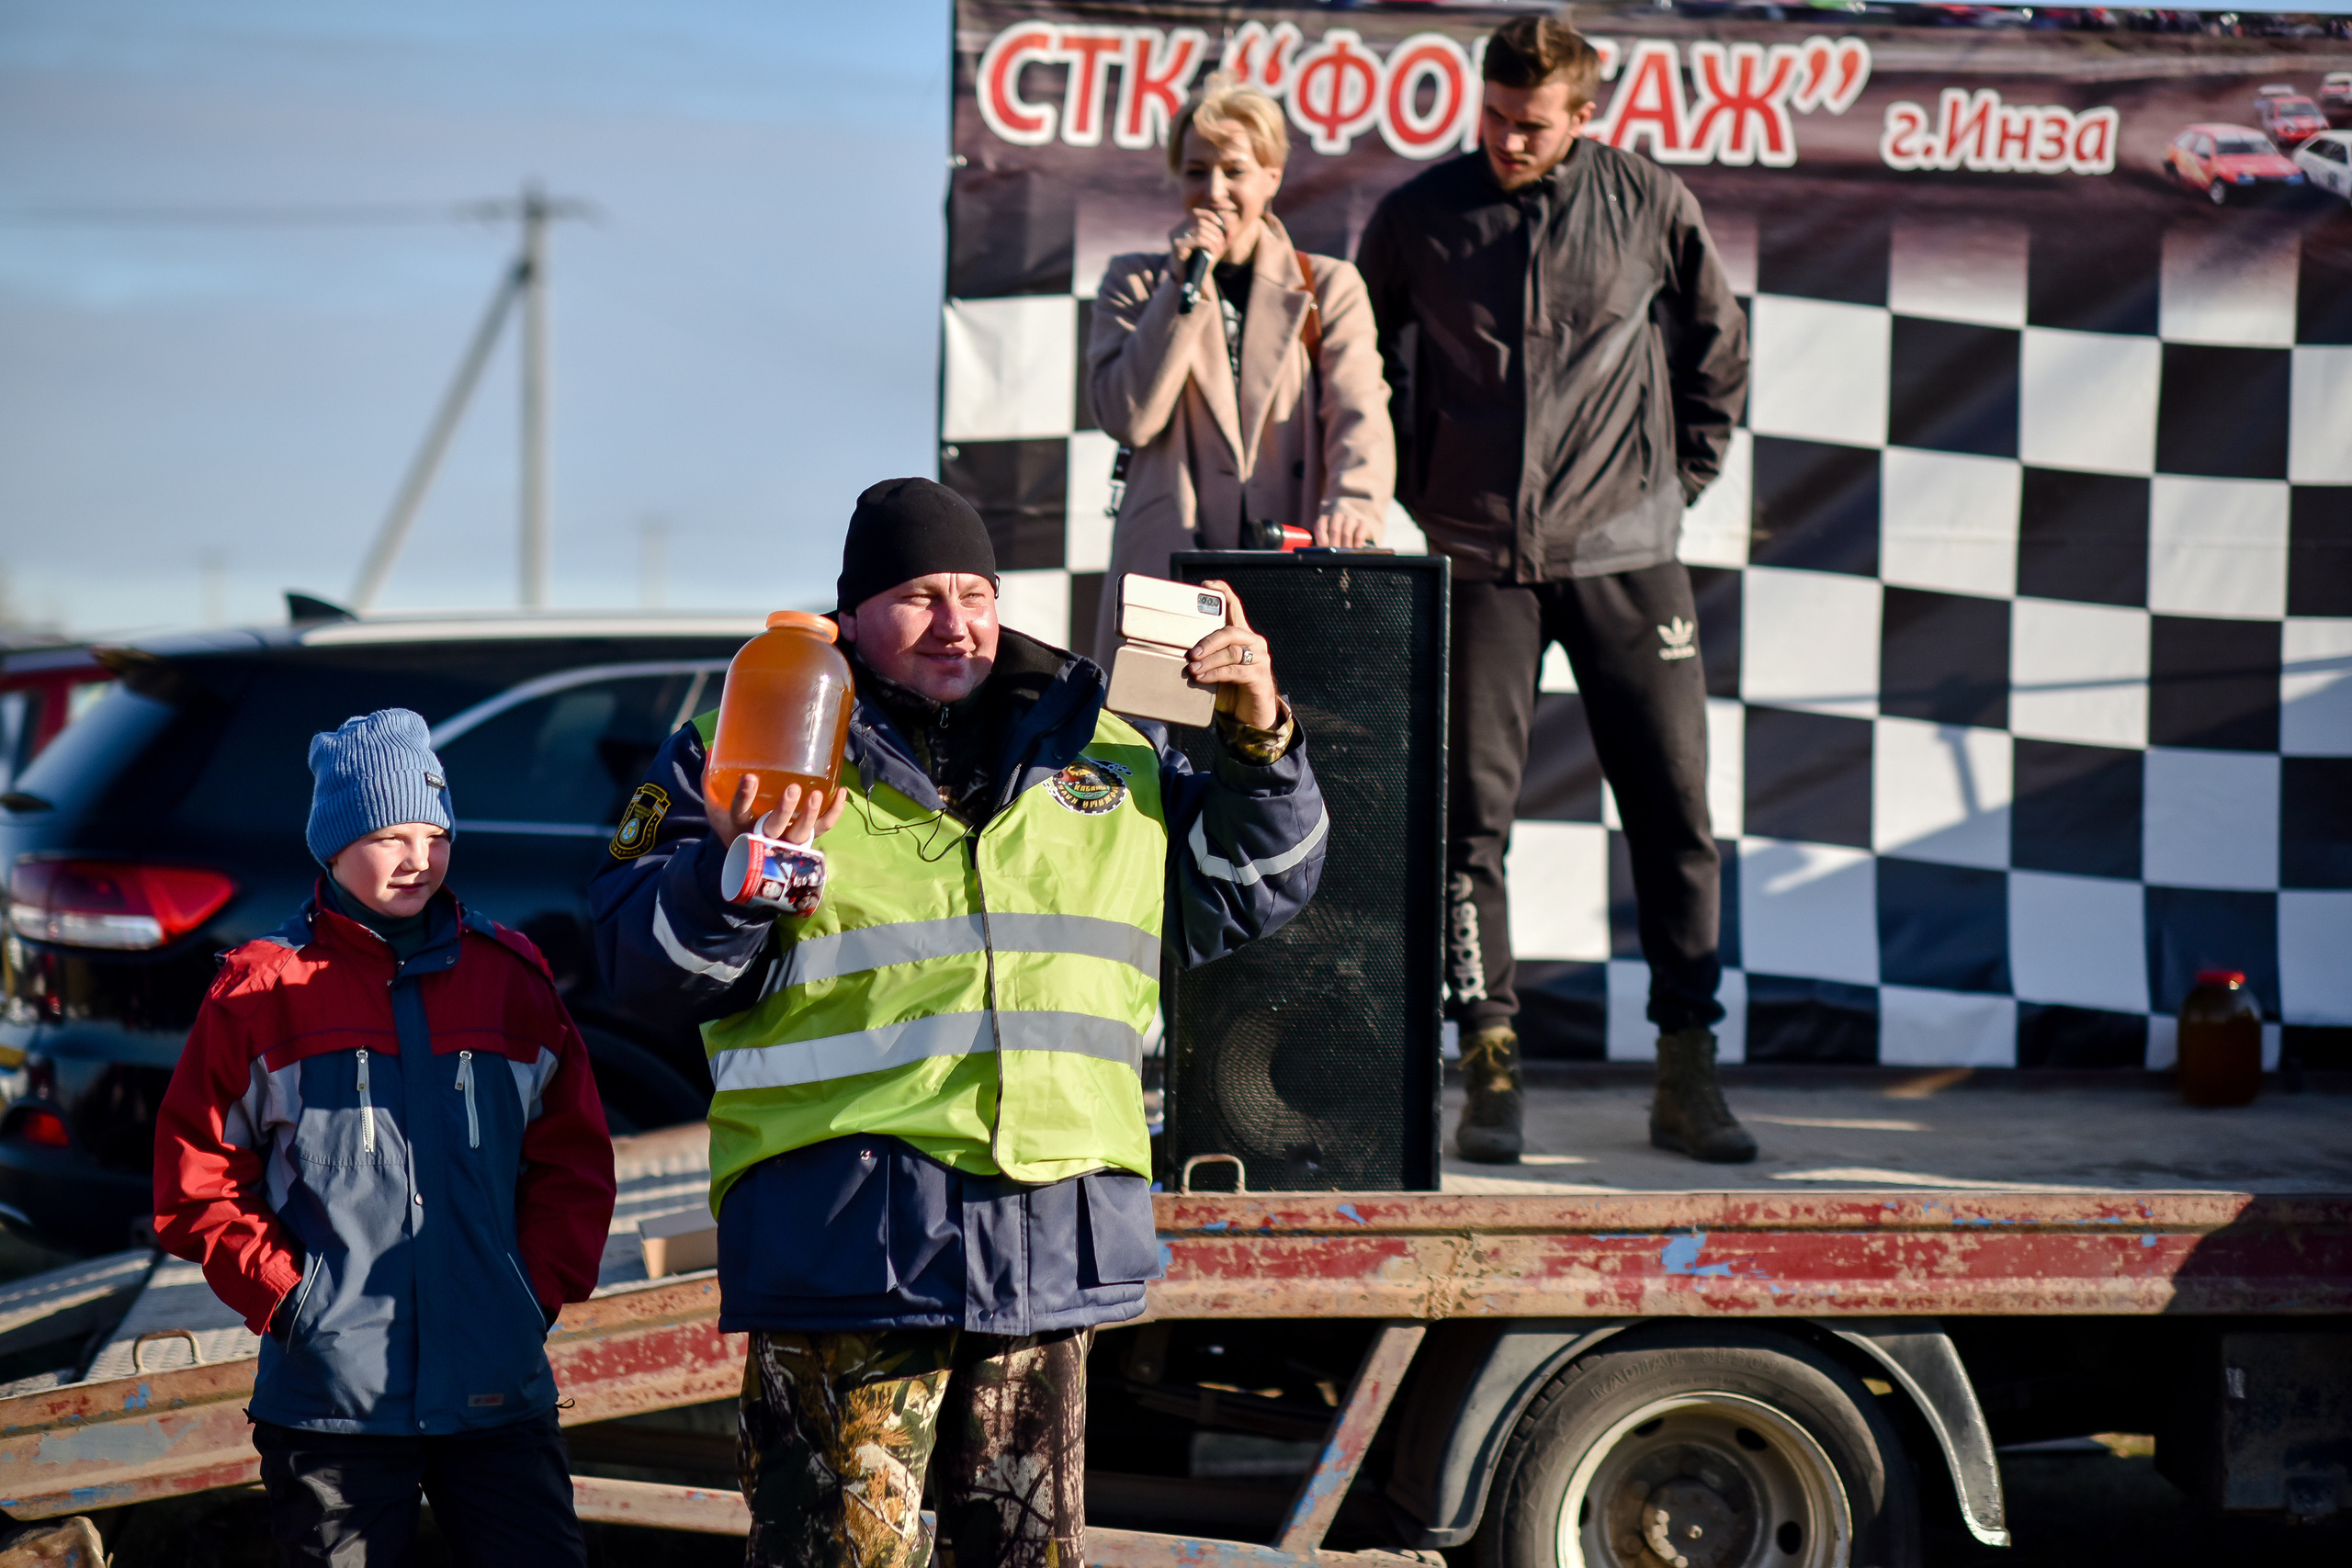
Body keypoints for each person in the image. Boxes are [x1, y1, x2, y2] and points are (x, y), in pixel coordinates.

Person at [591, 478, 1327, 1568]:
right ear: (850, 617)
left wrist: (1259, 733)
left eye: (975, 592)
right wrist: (727, 880)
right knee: (833, 1556)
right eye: (919, 596)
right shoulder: (747, 737)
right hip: (845, 1239)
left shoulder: (1105, 746)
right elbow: (630, 966)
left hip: (1047, 1231)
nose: (957, 623)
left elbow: (1251, 890)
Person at [1356, 17, 1753, 1165]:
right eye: (1489, 113)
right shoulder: (1419, 214)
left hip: (1630, 555)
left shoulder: (1649, 201)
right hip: (1478, 559)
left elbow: (1714, 350)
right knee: (1465, 828)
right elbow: (1356, 360)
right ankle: (1490, 1072)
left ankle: (1688, 1074)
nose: (1503, 138)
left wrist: (1672, 482)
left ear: (1585, 116)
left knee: (1674, 819)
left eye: (1529, 123)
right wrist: (1410, 485)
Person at [153, 708, 616, 1566]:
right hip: (333, 1402)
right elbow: (198, 1180)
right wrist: (293, 1301)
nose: (421, 857)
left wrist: (532, 1293)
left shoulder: (509, 979)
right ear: (331, 844)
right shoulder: (263, 992)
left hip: (497, 1390)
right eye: (390, 834)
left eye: (436, 833)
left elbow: (573, 1160)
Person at [1087, 73, 1392, 657]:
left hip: (1289, 565)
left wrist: (1353, 504)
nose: (1215, 190)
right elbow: (1129, 418)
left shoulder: (1327, 283)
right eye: (1197, 171)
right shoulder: (1136, 280)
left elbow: (1361, 410)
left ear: (1272, 178)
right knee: (1160, 740)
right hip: (1167, 572)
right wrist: (1181, 285)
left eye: (1235, 170)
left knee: (1278, 737)